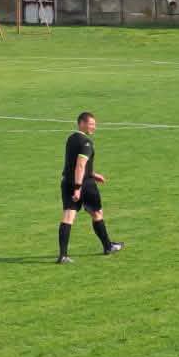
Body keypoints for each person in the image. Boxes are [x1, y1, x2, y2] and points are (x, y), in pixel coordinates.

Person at [59, 111, 123, 263]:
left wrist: (93, 174)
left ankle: (63, 256)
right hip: (84, 184)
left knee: (68, 216)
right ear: (82, 123)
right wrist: (78, 187)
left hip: (67, 182)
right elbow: (80, 166)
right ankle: (108, 247)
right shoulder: (86, 143)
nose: (94, 127)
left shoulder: (71, 138)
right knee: (97, 213)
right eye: (91, 124)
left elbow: (72, 164)